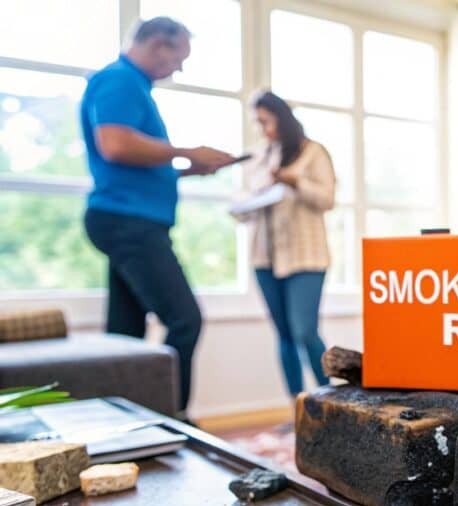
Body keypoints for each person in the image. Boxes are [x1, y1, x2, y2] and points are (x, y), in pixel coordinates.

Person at [81, 17, 236, 420]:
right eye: (178, 57)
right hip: (128, 222)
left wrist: (184, 169)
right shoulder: (120, 81)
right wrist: (187, 151)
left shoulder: (130, 86)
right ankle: (173, 418)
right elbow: (115, 145)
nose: (178, 67)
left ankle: (124, 419)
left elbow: (131, 162)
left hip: (124, 218)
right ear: (157, 45)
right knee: (185, 320)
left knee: (125, 332)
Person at [239, 91, 336, 397]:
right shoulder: (258, 156)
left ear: (281, 117)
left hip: (305, 256)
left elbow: (327, 199)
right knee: (283, 335)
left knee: (304, 331)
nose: (262, 128)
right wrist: (256, 197)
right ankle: (295, 409)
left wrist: (294, 182)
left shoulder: (313, 152)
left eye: (265, 121)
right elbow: (242, 203)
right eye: (257, 122)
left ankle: (331, 403)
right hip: (265, 258)